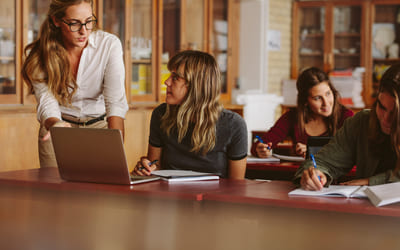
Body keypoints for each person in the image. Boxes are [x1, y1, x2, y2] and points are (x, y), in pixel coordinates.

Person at [21, 0, 129, 168]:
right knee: (56, 190)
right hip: (58, 128)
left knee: (101, 191)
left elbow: (115, 102)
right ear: (56, 21)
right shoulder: (39, 54)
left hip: (100, 126)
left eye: (88, 21)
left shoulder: (109, 45)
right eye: (74, 23)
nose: (83, 31)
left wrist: (116, 148)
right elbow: (46, 101)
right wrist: (55, 125)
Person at [133, 50, 248, 179]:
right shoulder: (161, 114)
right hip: (170, 197)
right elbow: (155, 168)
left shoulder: (233, 124)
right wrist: (146, 168)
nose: (167, 82)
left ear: (196, 86)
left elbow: (236, 186)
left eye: (175, 78)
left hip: (213, 198)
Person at [295, 63, 400, 191]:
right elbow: (322, 162)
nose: (386, 120)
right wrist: (313, 174)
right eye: (382, 107)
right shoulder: (361, 122)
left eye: (395, 114)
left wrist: (370, 182)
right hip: (365, 209)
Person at [251, 67, 354, 158]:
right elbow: (261, 143)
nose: (326, 103)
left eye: (328, 94)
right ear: (305, 101)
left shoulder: (346, 117)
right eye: (317, 98)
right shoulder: (292, 117)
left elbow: (352, 152)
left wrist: (314, 151)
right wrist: (260, 149)